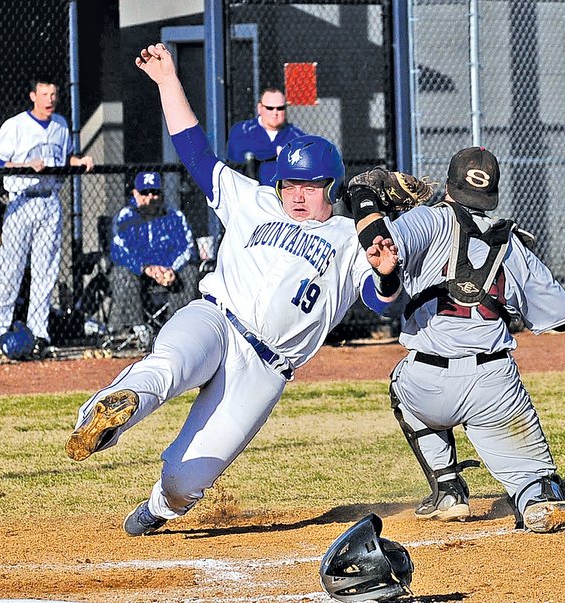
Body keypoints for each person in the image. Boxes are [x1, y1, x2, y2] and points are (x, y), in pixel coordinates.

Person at [64, 43, 399, 536]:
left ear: (332, 187)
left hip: (265, 368)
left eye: (309, 186)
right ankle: (104, 413)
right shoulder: (254, 199)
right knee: (169, 366)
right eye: (289, 184)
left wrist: (388, 271)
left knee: (186, 477)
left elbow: (381, 301)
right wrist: (166, 81)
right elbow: (195, 150)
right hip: (216, 319)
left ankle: (158, 506)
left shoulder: (351, 240)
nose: (296, 196)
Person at [345, 147, 565, 532]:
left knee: (398, 383)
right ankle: (535, 497)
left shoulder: (429, 219)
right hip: (494, 385)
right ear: (491, 194)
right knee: (533, 481)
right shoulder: (511, 242)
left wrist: (363, 191)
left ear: (450, 185)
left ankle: (447, 490)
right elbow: (564, 317)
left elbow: (378, 243)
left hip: (425, 382)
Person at [0, 76, 94, 357]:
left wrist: (79, 161)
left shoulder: (60, 124)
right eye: (45, 94)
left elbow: (64, 158)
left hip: (50, 202)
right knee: (11, 269)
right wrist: (25, 165)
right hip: (21, 200)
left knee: (46, 272)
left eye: (54, 94)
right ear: (33, 96)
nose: (50, 99)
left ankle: (39, 333)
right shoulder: (16, 125)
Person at [107, 170, 199, 346]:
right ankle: (137, 329)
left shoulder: (174, 216)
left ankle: (176, 329)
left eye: (155, 192)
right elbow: (119, 250)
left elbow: (188, 248)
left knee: (190, 271)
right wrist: (146, 268)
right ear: (135, 193)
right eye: (144, 193)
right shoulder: (125, 216)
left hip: (167, 273)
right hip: (139, 273)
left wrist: (171, 269)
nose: (151, 197)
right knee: (121, 272)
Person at [226, 87, 307, 186]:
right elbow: (237, 162)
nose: (275, 113)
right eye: (270, 108)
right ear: (260, 108)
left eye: (280, 108)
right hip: (249, 194)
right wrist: (278, 153)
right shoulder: (243, 131)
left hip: (282, 196)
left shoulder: (297, 137)